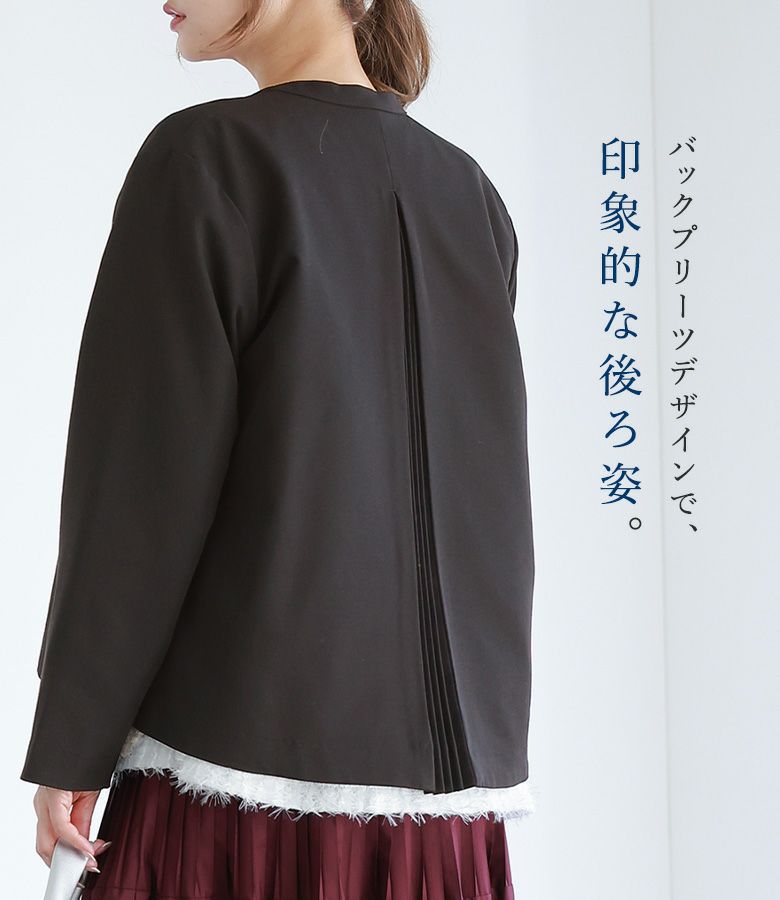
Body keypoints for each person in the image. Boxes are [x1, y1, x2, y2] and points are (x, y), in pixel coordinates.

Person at [20, 0, 536, 896]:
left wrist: (73, 740)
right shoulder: (471, 193)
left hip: (235, 792)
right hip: (447, 816)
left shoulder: (205, 159)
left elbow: (139, 489)